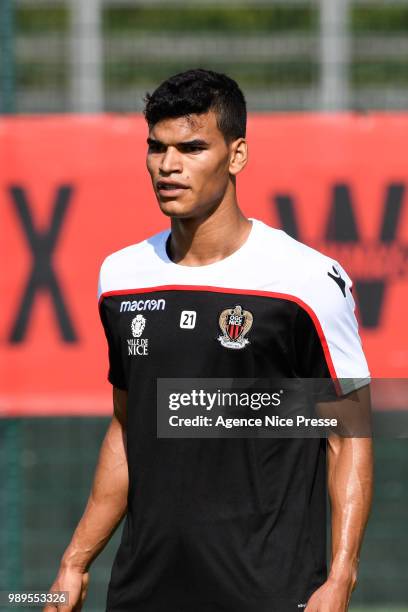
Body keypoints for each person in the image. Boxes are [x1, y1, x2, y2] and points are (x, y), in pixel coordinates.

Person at [45, 69, 373, 612]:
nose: (168, 166)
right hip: (144, 592)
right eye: (156, 148)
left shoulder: (306, 280)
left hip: (269, 593)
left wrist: (340, 577)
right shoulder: (122, 278)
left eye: (192, 148)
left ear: (237, 155)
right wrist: (74, 563)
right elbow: (129, 427)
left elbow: (348, 437)